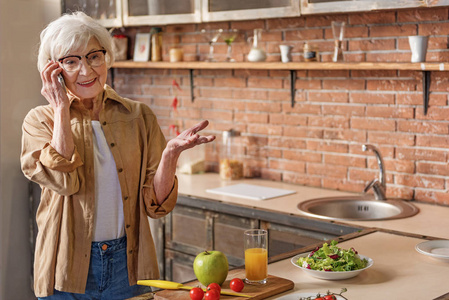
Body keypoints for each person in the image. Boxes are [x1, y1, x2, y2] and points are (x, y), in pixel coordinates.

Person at [21, 11, 215, 299]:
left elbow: (156, 205)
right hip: (65, 265)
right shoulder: (40, 121)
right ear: (54, 70)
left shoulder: (139, 116)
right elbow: (65, 183)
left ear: (106, 56)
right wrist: (61, 107)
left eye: (93, 57)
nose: (86, 71)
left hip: (128, 265)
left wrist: (170, 156)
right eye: (71, 62)